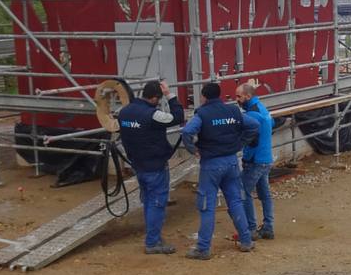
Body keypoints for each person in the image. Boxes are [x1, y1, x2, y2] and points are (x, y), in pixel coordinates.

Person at [181, 82, 258, 260]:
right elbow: (253, 125)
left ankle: (203, 248)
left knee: (207, 206)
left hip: (211, 164)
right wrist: (240, 143)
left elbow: (187, 132)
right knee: (236, 201)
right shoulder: (232, 111)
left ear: (204, 97)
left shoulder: (202, 114)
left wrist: (194, 150)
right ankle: (246, 241)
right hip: (231, 162)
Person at [116, 80, 185, 255]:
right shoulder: (152, 114)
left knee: (148, 202)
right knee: (157, 203)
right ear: (155, 98)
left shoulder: (124, 112)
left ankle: (153, 237)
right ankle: (153, 242)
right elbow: (177, 117)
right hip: (155, 165)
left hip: (138, 164)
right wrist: (170, 95)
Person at [235, 82, 275, 240]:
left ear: (247, 96)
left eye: (239, 96)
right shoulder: (262, 109)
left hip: (255, 160)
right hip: (266, 158)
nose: (236, 99)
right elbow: (271, 124)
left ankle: (250, 228)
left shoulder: (251, 115)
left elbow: (241, 133)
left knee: (243, 192)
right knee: (264, 194)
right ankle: (268, 227)